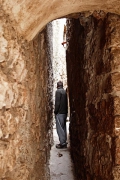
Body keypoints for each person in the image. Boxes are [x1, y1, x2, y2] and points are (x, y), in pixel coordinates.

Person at [54, 81, 68, 149]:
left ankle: (62, 143)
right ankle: (64, 141)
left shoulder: (58, 92)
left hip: (59, 113)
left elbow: (57, 103)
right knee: (64, 128)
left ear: (57, 86)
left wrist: (55, 111)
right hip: (64, 113)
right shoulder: (65, 92)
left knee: (60, 129)